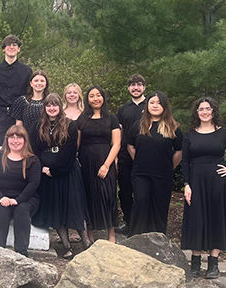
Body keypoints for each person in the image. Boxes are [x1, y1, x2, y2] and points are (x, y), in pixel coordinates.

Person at [181, 97, 226, 279]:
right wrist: (186, 184)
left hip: (217, 182)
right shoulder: (189, 134)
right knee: (197, 219)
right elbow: (186, 161)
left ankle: (213, 264)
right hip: (195, 182)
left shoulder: (224, 133)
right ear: (196, 112)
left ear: (213, 111)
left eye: (208, 108)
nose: (204, 112)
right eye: (201, 109)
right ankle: (195, 264)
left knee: (216, 219)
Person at [31, 94, 92, 259]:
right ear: (44, 108)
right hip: (46, 173)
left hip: (67, 171)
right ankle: (66, 246)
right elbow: (35, 150)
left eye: (55, 105)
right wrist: (43, 167)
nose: (52, 108)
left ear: (60, 107)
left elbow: (71, 149)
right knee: (56, 209)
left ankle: (86, 243)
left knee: (75, 206)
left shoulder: (70, 125)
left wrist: (56, 169)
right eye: (48, 105)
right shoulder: (38, 126)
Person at [127, 91, 182, 237]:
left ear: (165, 106)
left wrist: (169, 166)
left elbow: (179, 151)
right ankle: (136, 238)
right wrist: (139, 160)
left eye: (158, 103)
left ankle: (158, 240)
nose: (155, 105)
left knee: (159, 206)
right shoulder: (138, 125)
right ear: (147, 106)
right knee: (141, 202)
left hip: (163, 175)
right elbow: (130, 146)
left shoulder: (173, 127)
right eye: (152, 102)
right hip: (140, 174)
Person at [0, 125, 41, 256]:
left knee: (21, 210)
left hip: (26, 199)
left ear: (25, 140)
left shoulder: (33, 160)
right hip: (0, 197)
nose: (15, 141)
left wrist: (17, 200)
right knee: (1, 211)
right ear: (7, 139)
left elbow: (33, 184)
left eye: (19, 137)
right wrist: (1, 198)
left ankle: (21, 253)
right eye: (12, 137)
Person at [77, 86, 121, 243]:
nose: (95, 98)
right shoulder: (82, 119)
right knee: (88, 197)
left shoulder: (112, 118)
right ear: (87, 99)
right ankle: (90, 235)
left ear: (103, 97)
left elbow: (116, 144)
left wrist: (106, 165)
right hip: (86, 162)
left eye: (98, 95)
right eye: (91, 96)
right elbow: (77, 143)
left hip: (105, 160)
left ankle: (111, 234)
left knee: (108, 196)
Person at [0, 34, 32, 145]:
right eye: (8, 45)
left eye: (14, 45)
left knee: (18, 146)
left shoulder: (27, 71)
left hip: (19, 117)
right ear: (3, 49)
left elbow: (29, 94)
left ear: (19, 49)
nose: (11, 47)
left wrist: (24, 114)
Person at [115, 74, 147, 235]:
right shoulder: (123, 110)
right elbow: (117, 133)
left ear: (144, 87)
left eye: (139, 85)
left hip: (145, 157)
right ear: (128, 88)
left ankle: (143, 225)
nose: (136, 88)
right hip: (124, 158)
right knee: (125, 192)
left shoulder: (151, 105)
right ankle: (128, 223)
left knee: (143, 192)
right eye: (133, 85)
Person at [10, 70, 49, 135]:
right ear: (31, 83)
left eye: (42, 81)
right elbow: (19, 125)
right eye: (36, 81)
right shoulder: (22, 101)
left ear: (46, 84)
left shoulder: (50, 101)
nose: (39, 83)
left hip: (47, 138)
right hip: (28, 139)